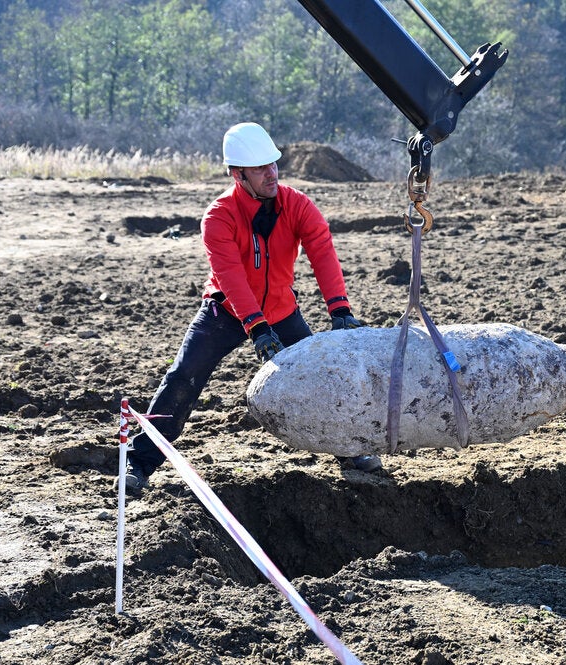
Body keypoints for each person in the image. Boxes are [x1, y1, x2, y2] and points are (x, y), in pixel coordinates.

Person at [120, 122, 382, 494]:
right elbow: (229, 274)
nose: (271, 173)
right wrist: (256, 326)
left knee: (318, 380)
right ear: (237, 174)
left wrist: (339, 308)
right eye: (261, 169)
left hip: (281, 309)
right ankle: (139, 463)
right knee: (182, 379)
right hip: (225, 312)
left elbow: (322, 250)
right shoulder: (219, 216)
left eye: (273, 165)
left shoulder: (296, 204)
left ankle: (350, 450)